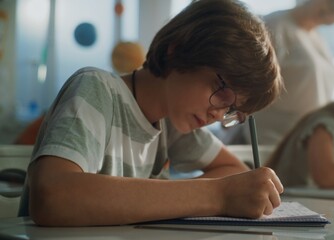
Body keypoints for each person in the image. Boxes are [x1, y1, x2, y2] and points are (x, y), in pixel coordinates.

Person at [26, 0, 284, 227]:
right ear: (178, 49)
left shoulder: (172, 122)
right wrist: (217, 196)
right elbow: (53, 196)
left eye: (231, 110)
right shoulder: (97, 90)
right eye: (222, 91)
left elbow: (233, 169)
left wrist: (170, 199)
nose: (218, 115)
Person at [216, 0, 334, 145]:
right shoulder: (273, 26)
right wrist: (230, 114)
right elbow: (248, 78)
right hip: (266, 136)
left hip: (301, 139)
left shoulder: (318, 41)